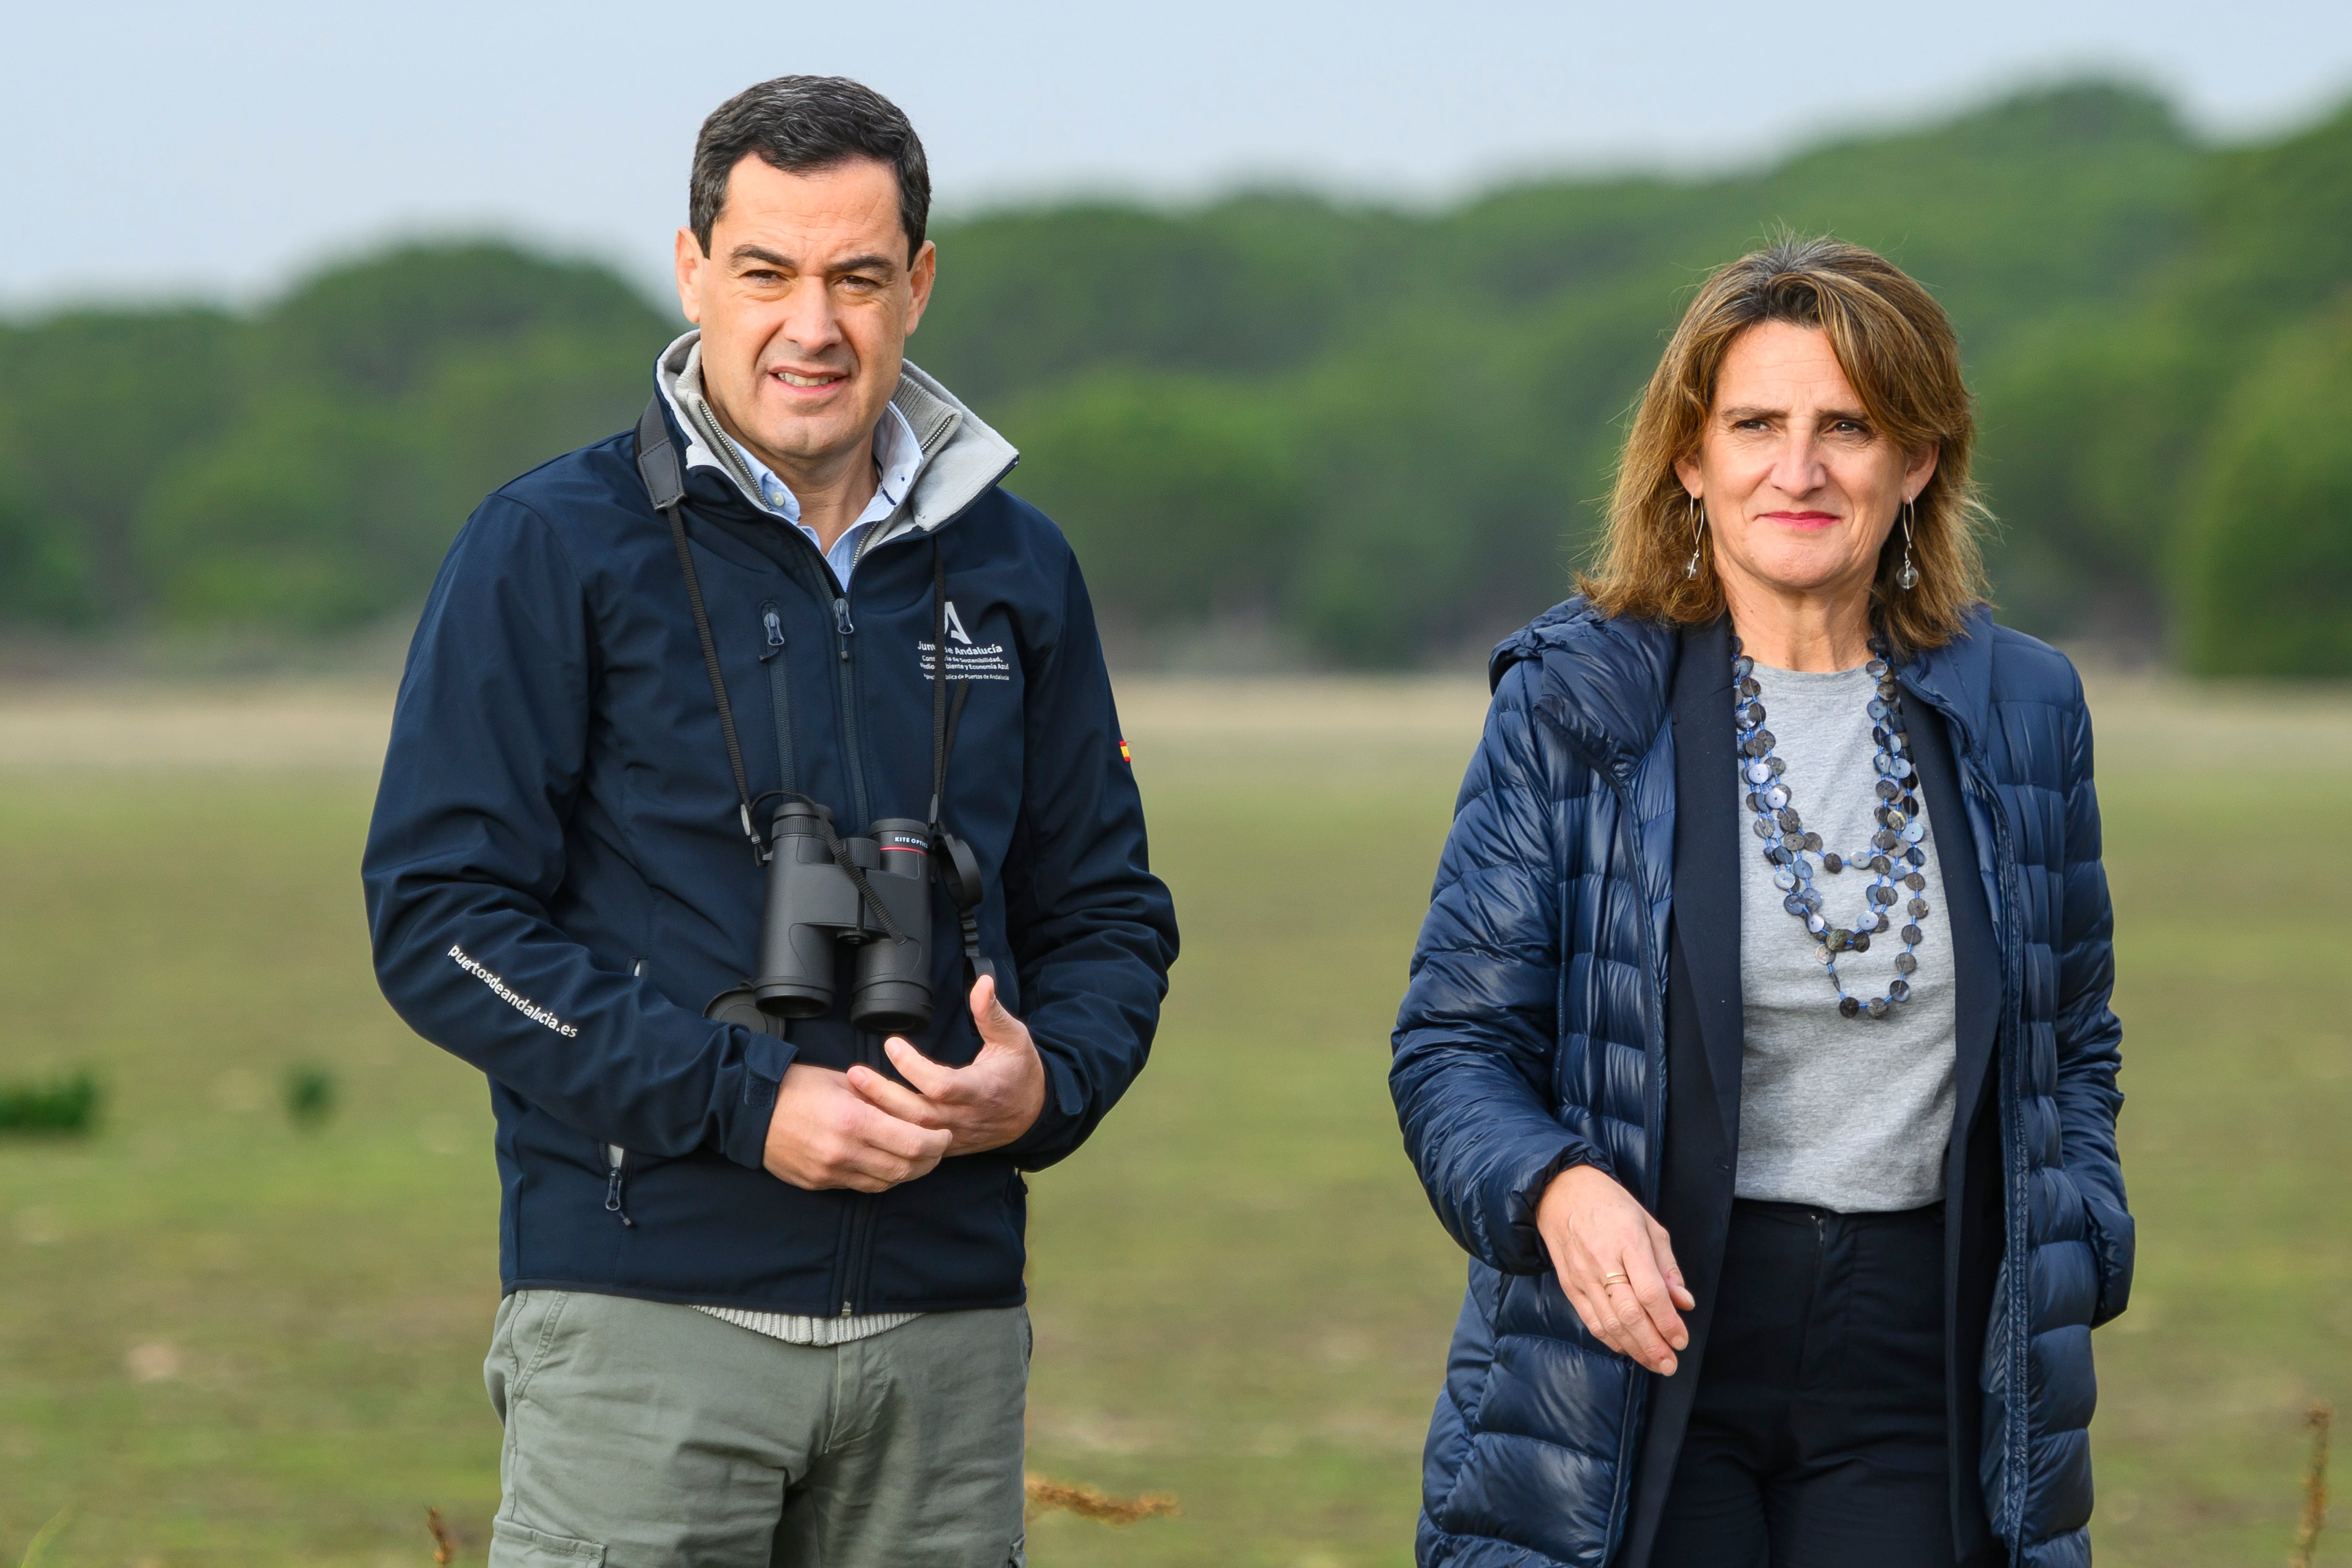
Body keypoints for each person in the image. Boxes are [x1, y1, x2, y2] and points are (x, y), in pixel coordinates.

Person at [363, 76, 1177, 1568]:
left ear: (917, 286)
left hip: (946, 1337)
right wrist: (745, 1099)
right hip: (643, 1324)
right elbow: (439, 921)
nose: (815, 324)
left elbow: (1114, 914)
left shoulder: (1014, 565)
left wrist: (1044, 1085)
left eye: (858, 277)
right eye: (768, 273)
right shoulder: (551, 547)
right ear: (693, 271)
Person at [1389, 236, 2130, 1568]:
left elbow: (2074, 1041)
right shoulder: (1576, 703)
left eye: (1848, 427)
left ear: (1917, 462)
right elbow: (1451, 1053)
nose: (1800, 469)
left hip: (1925, 1360)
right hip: (1642, 1351)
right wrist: (1560, 1192)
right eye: (1756, 425)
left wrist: (2081, 1232)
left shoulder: (2029, 707)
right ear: (1690, 457)